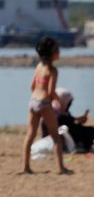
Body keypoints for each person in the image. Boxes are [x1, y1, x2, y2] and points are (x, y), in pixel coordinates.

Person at [22, 37, 72, 174]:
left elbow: (32, 86)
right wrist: (58, 102)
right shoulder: (53, 70)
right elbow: (50, 91)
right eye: (57, 50)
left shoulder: (38, 66)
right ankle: (61, 168)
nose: (59, 52)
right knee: (55, 136)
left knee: (30, 135)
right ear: (52, 53)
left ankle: (26, 167)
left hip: (33, 101)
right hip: (44, 103)